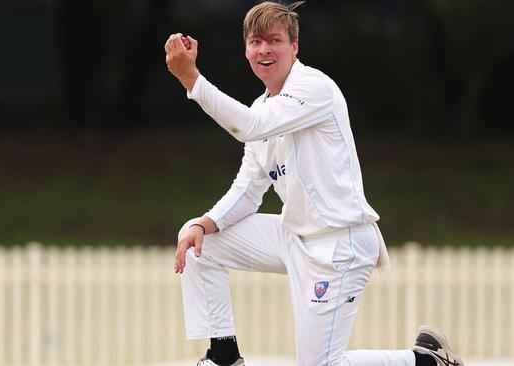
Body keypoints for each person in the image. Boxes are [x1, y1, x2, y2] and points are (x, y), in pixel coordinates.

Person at [164, 2, 464, 366]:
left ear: (295, 46)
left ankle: (426, 361)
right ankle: (224, 355)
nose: (264, 50)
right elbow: (247, 191)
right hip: (295, 236)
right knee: (199, 241)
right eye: (255, 42)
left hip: (339, 243)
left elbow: (250, 126)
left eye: (274, 40)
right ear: (246, 49)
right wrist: (203, 224)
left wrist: (191, 81)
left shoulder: (314, 88)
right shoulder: (263, 108)